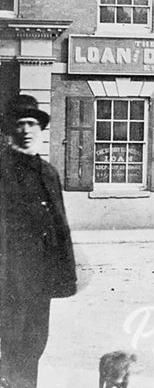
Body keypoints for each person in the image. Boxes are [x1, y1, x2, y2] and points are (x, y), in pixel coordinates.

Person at [0, 95, 77, 388]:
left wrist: (64, 276)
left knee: (34, 343)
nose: (26, 130)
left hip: (39, 278)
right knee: (12, 344)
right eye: (19, 123)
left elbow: (61, 228)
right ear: (10, 130)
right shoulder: (3, 170)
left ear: (40, 130)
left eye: (32, 123)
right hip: (9, 277)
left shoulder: (48, 173)